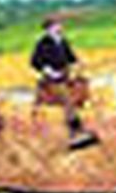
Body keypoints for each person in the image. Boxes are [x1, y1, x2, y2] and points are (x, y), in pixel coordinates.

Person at [30, 16, 97, 150]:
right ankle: (75, 131)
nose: (60, 27)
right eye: (57, 25)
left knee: (83, 84)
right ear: (49, 28)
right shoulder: (42, 43)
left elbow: (71, 57)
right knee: (66, 97)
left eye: (60, 25)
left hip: (65, 75)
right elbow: (35, 61)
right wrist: (49, 72)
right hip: (52, 80)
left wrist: (79, 63)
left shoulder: (62, 41)